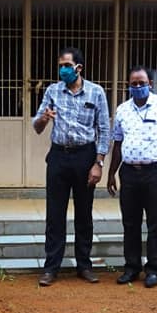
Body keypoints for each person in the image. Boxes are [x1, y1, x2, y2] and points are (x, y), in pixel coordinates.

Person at [32, 46, 110, 287]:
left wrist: (98, 163)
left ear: (78, 67)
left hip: (85, 157)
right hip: (58, 157)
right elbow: (37, 126)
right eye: (60, 65)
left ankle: (84, 266)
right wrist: (44, 118)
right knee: (55, 214)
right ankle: (51, 267)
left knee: (84, 214)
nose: (62, 69)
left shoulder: (96, 92)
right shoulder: (53, 91)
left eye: (67, 65)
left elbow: (104, 130)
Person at [106, 66, 157, 288]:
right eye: (133, 83)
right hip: (129, 173)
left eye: (141, 82)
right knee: (130, 223)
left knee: (156, 223)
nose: (137, 86)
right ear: (128, 85)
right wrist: (112, 173)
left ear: (151, 83)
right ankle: (131, 268)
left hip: (156, 173)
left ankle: (153, 269)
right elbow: (118, 143)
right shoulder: (122, 110)